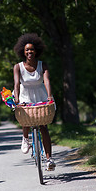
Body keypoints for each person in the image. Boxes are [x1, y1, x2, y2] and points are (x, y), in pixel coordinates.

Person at [13, 33, 56, 170]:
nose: (29, 52)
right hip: (24, 94)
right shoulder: (18, 67)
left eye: (31, 49)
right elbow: (16, 84)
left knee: (43, 126)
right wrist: (17, 100)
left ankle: (49, 159)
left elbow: (47, 81)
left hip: (40, 94)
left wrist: (49, 96)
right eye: (27, 50)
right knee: (25, 117)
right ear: (23, 52)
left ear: (36, 51)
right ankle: (25, 138)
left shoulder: (42, 65)